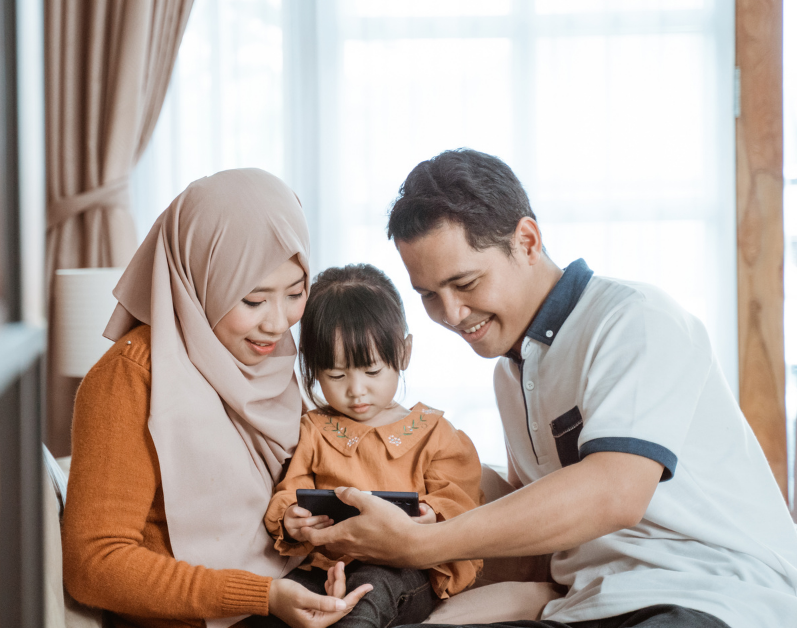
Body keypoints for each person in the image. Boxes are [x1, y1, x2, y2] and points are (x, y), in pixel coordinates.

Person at [303, 149, 797, 628]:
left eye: (466, 283)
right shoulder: (510, 372)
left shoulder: (635, 319)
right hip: (586, 606)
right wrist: (408, 477)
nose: (450, 314)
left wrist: (422, 544)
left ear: (527, 241)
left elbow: (615, 492)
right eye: (430, 295)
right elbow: (533, 520)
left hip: (710, 593)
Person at [62, 168, 372, 628]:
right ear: (200, 279)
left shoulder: (267, 363)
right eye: (253, 301)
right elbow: (94, 565)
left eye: (295, 293)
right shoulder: (130, 377)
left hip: (291, 590)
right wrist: (261, 595)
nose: (277, 323)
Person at [250, 264, 484, 628]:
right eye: (336, 375)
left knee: (371, 592)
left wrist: (431, 518)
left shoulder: (434, 433)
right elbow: (291, 492)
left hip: (401, 569)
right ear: (312, 366)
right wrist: (291, 519)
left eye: (372, 371)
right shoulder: (314, 430)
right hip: (325, 565)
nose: (356, 391)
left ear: (403, 352)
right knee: (278, 602)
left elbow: (462, 506)